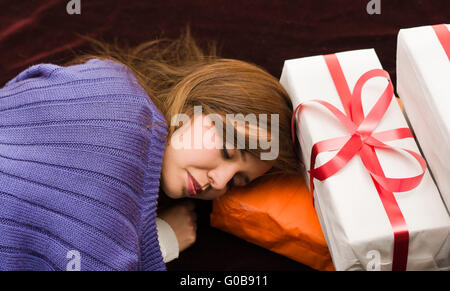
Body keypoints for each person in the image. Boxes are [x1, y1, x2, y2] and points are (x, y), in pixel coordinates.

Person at [0, 28, 301, 270]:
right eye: (227, 151)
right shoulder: (116, 104)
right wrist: (160, 241)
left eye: (237, 181)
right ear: (193, 105)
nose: (220, 183)